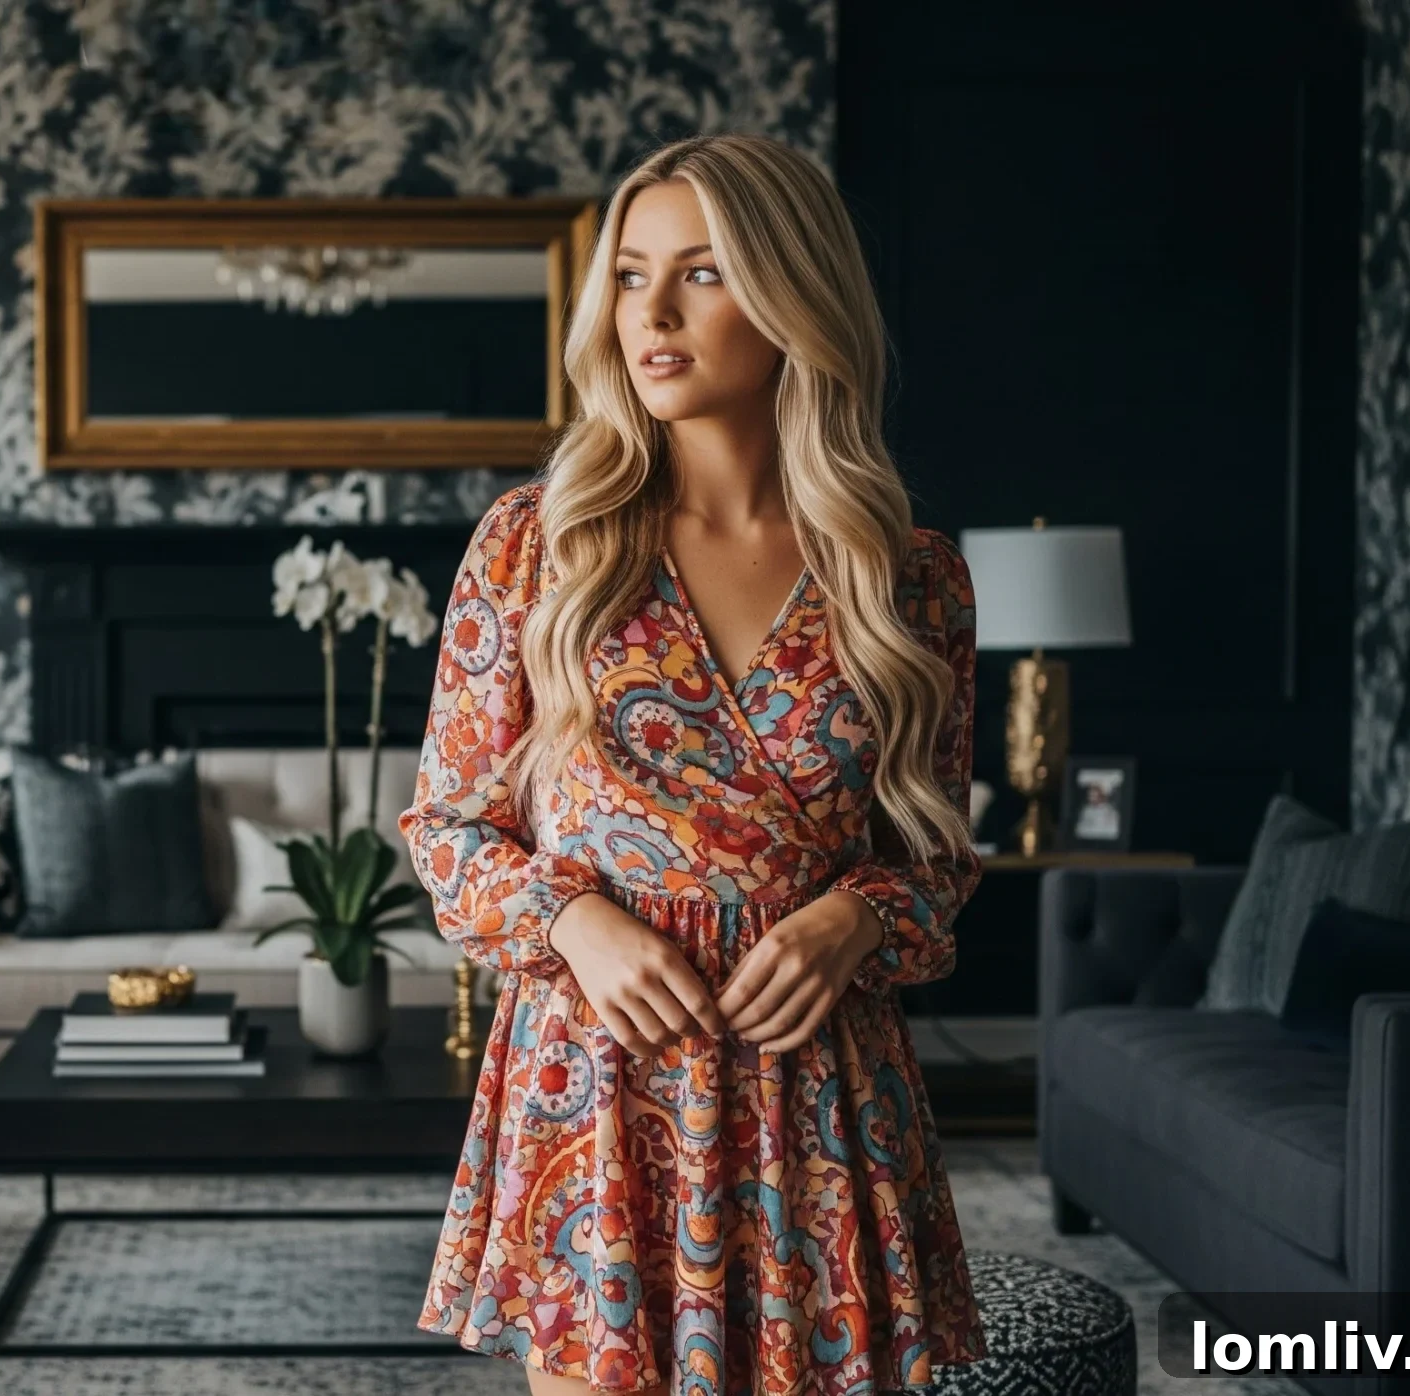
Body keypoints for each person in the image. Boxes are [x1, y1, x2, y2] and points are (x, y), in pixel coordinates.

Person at [400, 132, 985, 1395]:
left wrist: (852, 920)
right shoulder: (535, 547)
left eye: (703, 274)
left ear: (793, 299)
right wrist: (574, 922)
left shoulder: (908, 576)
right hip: (598, 1091)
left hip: (820, 1096)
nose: (650, 313)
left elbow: (934, 863)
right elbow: (445, 834)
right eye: (628, 274)